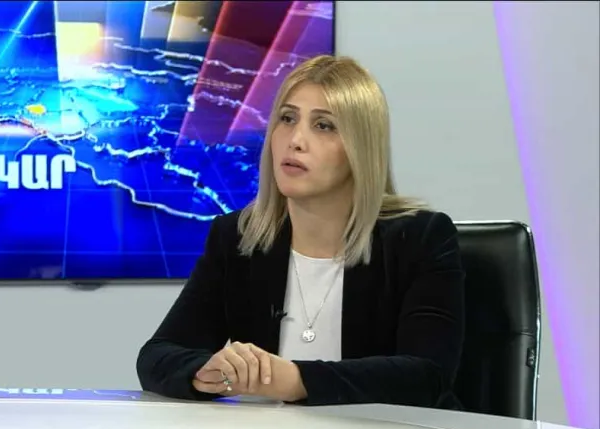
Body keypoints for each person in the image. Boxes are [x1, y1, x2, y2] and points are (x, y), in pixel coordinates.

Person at [136, 55, 466, 409]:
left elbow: (427, 375)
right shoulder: (238, 238)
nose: (295, 140)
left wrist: (293, 380)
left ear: (361, 147)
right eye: (287, 118)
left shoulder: (420, 238)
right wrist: (206, 373)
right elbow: (157, 355)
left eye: (323, 125)